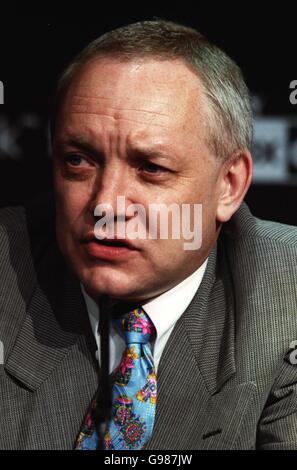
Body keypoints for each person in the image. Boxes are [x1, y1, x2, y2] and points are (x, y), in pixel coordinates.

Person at [0, 19, 297, 450]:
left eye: (151, 168)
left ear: (229, 184)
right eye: (79, 160)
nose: (107, 204)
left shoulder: (287, 295)